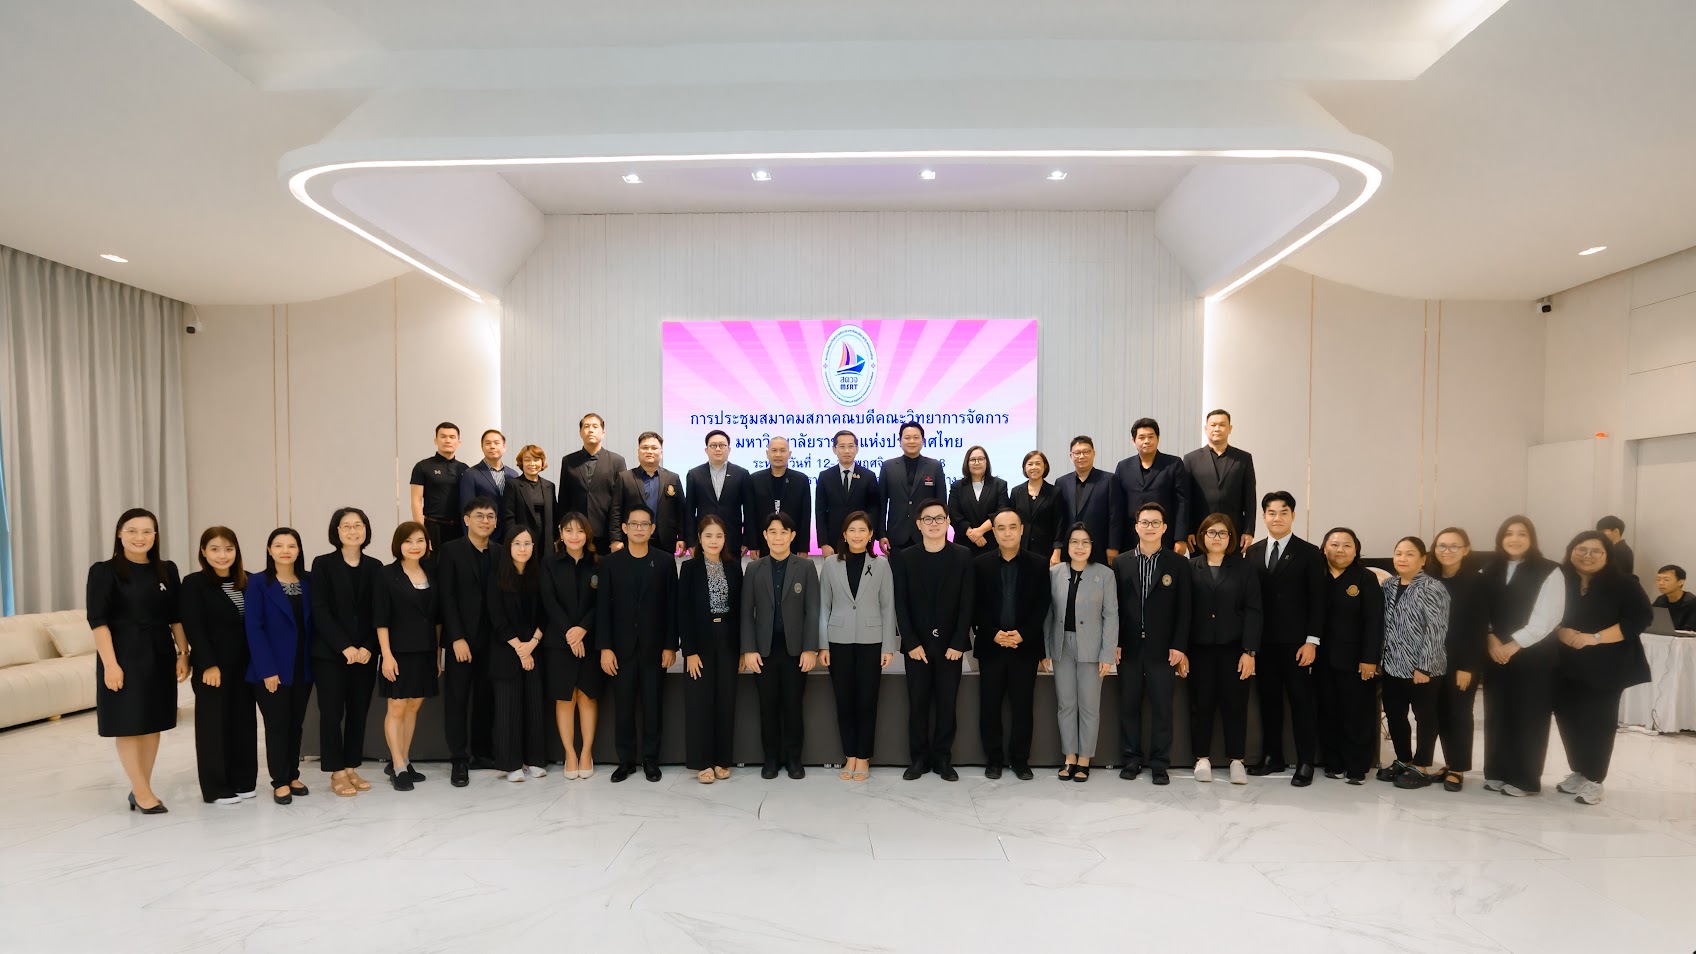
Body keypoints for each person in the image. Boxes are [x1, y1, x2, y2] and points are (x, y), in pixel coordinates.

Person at [89, 509, 188, 815]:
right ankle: (143, 792)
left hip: (159, 653)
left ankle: (140, 787)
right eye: (132, 531)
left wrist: (183, 653)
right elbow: (98, 622)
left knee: (152, 722)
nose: (139, 537)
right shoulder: (104, 571)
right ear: (120, 533)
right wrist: (110, 665)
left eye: (147, 531)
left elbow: (176, 617)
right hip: (124, 654)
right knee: (129, 723)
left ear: (155, 536)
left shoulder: (166, 570)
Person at [1551, 531, 1653, 805]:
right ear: (1571, 551)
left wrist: (1594, 638)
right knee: (1568, 719)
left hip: (1607, 666)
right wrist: (1559, 631)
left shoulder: (1625, 583)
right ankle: (1579, 770)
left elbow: (1640, 618)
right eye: (1581, 549)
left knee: (1599, 723)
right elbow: (1543, 612)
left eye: (1596, 551)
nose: (1587, 555)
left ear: (1608, 555)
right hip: (1564, 664)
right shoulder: (1559, 579)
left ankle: (1595, 779)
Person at [1244, 491, 1325, 785]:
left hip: (1297, 644)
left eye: (1283, 512)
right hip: (1264, 643)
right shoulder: (1253, 552)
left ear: (1293, 516)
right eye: (1271, 512)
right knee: (1269, 702)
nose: (1277, 518)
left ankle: (1305, 762)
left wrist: (1312, 641)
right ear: (1263, 516)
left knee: (1301, 703)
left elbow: (1318, 600)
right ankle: (1273, 757)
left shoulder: (1310, 552)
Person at [891, 499, 975, 780]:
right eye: (928, 519)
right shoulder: (905, 557)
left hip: (950, 647)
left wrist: (958, 642)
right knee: (917, 705)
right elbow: (900, 604)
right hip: (918, 647)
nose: (934, 523)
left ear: (948, 522)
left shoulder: (963, 555)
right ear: (919, 524)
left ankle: (942, 759)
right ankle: (918, 759)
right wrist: (910, 642)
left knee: (947, 705)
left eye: (940, 518)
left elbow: (967, 603)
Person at [1481, 515, 1564, 797]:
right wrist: (1490, 637)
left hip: (1534, 656)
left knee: (1529, 717)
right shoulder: (1489, 569)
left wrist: (1514, 644)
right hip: (1495, 653)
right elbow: (1480, 609)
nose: (1514, 539)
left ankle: (1525, 779)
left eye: (1521, 534)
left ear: (1532, 539)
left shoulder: (1549, 570)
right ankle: (1496, 771)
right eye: (1508, 533)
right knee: (1497, 714)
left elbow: (1548, 615)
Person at [597, 504, 679, 783]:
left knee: (653, 706)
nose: (640, 529)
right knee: (623, 707)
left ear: (653, 529)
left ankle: (651, 760)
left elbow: (671, 607)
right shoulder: (610, 563)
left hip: (655, 649)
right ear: (625, 528)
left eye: (645, 524)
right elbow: (603, 609)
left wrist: (670, 645)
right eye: (635, 524)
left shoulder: (665, 562)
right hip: (621, 649)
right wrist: (605, 647)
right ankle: (626, 761)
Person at [1113, 502, 1191, 785]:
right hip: (1129, 647)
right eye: (1144, 522)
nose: (1149, 527)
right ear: (1136, 527)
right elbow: (1114, 608)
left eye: (1155, 522)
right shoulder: (1120, 562)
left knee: (1162, 709)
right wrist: (1115, 642)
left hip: (1163, 649)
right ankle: (1131, 759)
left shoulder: (1178, 563)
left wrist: (1179, 645)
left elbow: (1185, 609)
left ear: (1164, 527)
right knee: (1129, 706)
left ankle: (1159, 763)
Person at [308, 507, 382, 798]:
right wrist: (344, 646)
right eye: (346, 526)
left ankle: (351, 766)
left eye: (358, 525)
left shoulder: (375, 567)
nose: (353, 530)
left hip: (365, 655)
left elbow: (379, 612)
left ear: (366, 530)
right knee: (331, 712)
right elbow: (320, 610)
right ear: (336, 531)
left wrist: (367, 647)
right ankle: (336, 771)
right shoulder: (323, 564)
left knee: (358, 712)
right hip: (330, 654)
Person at [972, 509, 1051, 781]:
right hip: (990, 646)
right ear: (993, 532)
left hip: (1024, 647)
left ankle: (1020, 760)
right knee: (990, 706)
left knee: (1023, 707)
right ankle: (993, 760)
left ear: (1021, 530)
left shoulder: (1039, 564)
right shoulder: (979, 564)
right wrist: (993, 633)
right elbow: (975, 605)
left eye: (1012, 527)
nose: (1007, 533)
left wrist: (1023, 634)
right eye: (1001, 528)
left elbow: (1042, 605)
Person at [820, 511, 899, 781]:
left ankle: (863, 757)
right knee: (844, 702)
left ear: (870, 535)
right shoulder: (830, 564)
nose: (857, 535)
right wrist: (823, 645)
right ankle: (850, 755)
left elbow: (888, 606)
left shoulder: (881, 565)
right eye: (852, 530)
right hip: (838, 641)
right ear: (844, 534)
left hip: (871, 641)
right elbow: (824, 606)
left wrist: (888, 646)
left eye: (862, 530)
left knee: (867, 701)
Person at [741, 512, 821, 778]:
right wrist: (749, 649)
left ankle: (794, 759)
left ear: (792, 536)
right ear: (765, 536)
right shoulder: (754, 568)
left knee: (793, 706)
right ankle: (771, 759)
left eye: (783, 532)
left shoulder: (806, 567)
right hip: (764, 650)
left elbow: (813, 610)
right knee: (768, 707)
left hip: (795, 650)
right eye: (773, 532)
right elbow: (746, 612)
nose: (778, 537)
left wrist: (810, 648)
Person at [182, 526, 254, 806]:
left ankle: (243, 780)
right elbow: (194, 626)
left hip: (245, 665)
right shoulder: (194, 583)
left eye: (228, 549)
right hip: (213, 667)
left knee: (243, 722)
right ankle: (215, 787)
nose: (222, 555)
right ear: (203, 552)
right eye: (214, 549)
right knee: (213, 726)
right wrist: (208, 664)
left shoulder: (248, 581)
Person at [1187, 512, 1261, 784]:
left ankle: (1237, 760)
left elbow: (1254, 611)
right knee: (1201, 704)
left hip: (1234, 649)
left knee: (1235, 705)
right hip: (1199, 649)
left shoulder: (1244, 568)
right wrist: (1181, 650)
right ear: (1202, 536)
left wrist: (1249, 651)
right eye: (1211, 532)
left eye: (1222, 533)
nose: (1216, 538)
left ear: (1231, 538)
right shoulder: (1190, 567)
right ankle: (1201, 758)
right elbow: (1183, 611)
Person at [1044, 524, 1119, 782]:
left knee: (1089, 706)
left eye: (1085, 542)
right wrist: (1046, 649)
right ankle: (1069, 757)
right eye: (1074, 541)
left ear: (1092, 546)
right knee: (1066, 704)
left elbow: (1111, 615)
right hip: (1061, 645)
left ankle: (1085, 758)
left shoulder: (1105, 574)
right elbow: (1048, 613)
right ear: (1067, 545)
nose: (1079, 547)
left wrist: (1107, 654)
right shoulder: (1054, 572)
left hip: (1092, 647)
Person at [246, 527, 313, 805]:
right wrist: (267, 670)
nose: (286, 550)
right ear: (269, 550)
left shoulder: (309, 581)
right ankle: (280, 780)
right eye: (279, 545)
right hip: (272, 669)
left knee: (296, 724)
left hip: (303, 666)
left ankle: (293, 774)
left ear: (299, 550)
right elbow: (254, 628)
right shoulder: (257, 582)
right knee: (277, 725)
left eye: (291, 546)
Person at [1377, 537, 1450, 789]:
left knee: (1425, 717)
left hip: (1422, 668)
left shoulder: (1432, 587)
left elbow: (1436, 629)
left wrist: (1424, 666)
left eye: (1409, 554)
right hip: (1392, 665)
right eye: (1398, 553)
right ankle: (1403, 760)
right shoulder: (1388, 585)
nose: (1402, 558)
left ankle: (1421, 766)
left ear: (1423, 559)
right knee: (1395, 715)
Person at [437, 496, 500, 786]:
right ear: (466, 520)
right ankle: (459, 759)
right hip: (461, 640)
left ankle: (482, 753)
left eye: (490, 516)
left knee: (486, 698)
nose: (485, 521)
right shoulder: (451, 551)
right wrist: (457, 638)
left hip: (493, 640)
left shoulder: (500, 552)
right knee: (457, 700)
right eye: (479, 516)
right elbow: (446, 597)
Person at [677, 515, 744, 783]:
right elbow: (683, 611)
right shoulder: (689, 568)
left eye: (718, 536)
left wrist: (741, 650)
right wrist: (690, 651)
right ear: (700, 539)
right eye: (708, 536)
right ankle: (702, 762)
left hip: (727, 638)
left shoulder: (734, 567)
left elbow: (740, 611)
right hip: (700, 641)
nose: (713, 541)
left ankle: (721, 760)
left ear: (725, 538)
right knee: (699, 702)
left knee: (726, 700)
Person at [373, 522, 439, 791]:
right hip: (398, 652)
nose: (415, 546)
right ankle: (397, 766)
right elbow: (381, 619)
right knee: (397, 707)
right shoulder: (386, 574)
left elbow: (437, 618)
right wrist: (386, 656)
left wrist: (437, 654)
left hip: (425, 651)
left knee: (413, 706)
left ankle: (404, 758)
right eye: (408, 541)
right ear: (398, 544)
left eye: (420, 540)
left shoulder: (432, 572)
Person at [1316, 527, 1383, 785]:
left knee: (1356, 713)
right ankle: (1333, 762)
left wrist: (1370, 659)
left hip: (1356, 660)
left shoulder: (1365, 578)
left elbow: (1374, 621)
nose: (1340, 550)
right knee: (1328, 710)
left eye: (1347, 545)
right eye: (1334, 544)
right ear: (1324, 548)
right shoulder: (1317, 575)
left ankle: (1357, 766)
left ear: (1356, 550)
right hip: (1321, 658)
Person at [540, 512, 602, 780]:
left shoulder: (598, 564)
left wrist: (582, 629)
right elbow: (548, 601)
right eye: (568, 531)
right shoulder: (549, 563)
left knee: (587, 696)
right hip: (558, 642)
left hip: (590, 640)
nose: (574, 536)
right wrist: (569, 633)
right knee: (565, 698)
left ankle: (586, 752)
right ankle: (570, 754)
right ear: (561, 534)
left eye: (579, 531)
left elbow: (602, 602)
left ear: (587, 534)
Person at [1428, 527, 1488, 792]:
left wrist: (1468, 666)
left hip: (1462, 660)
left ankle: (1458, 768)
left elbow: (1478, 627)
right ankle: (1450, 762)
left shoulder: (1477, 582)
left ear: (1466, 550)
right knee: (1440, 712)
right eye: (1442, 546)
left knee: (1460, 712)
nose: (1447, 551)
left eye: (1454, 546)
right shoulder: (1429, 577)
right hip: (1433, 659)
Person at [488, 527, 548, 782]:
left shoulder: (540, 576)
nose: (523, 548)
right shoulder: (496, 576)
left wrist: (531, 645)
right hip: (506, 650)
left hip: (534, 648)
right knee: (507, 708)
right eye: (517, 543)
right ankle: (510, 764)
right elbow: (497, 618)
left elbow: (546, 614)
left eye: (527, 543)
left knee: (534, 706)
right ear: (508, 547)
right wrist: (520, 649)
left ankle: (534, 760)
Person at [1111, 418, 1192, 555]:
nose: (1146, 441)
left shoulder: (1173, 464)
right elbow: (1116, 507)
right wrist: (1114, 544)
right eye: (1141, 437)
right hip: (1130, 538)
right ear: (1133, 441)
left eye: (1151, 436)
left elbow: (1183, 502)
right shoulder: (1123, 467)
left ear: (1158, 438)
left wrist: (1180, 538)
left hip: (1165, 537)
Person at [1182, 410, 1256, 552]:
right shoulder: (1191, 459)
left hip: (1233, 531)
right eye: (1213, 425)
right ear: (1206, 429)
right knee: (1200, 566)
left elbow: (1250, 498)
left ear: (1230, 428)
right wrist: (1188, 530)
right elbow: (1186, 499)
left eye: (1222, 425)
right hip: (1200, 531)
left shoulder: (1243, 459)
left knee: (1233, 566)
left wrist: (1248, 531)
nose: (1217, 428)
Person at [557, 412, 628, 554]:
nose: (590, 430)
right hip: (576, 533)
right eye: (586, 426)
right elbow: (564, 499)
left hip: (606, 533)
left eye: (595, 426)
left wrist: (617, 538)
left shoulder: (617, 461)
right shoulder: (569, 461)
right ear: (580, 433)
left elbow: (621, 502)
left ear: (603, 432)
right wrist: (562, 533)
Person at [880, 421, 947, 552]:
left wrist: (941, 532)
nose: (912, 441)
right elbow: (882, 504)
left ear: (923, 441)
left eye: (916, 437)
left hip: (927, 534)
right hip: (896, 535)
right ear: (900, 441)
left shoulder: (934, 466)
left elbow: (941, 502)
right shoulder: (888, 467)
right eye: (907, 437)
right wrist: (881, 534)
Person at [684, 429, 751, 557]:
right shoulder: (694, 475)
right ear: (706, 450)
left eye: (722, 445)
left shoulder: (742, 474)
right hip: (704, 539)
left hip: (733, 540)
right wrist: (691, 541)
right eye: (713, 445)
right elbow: (689, 511)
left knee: (732, 570)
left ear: (729, 449)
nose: (718, 449)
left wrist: (747, 539)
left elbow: (749, 510)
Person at [1051, 436, 1116, 566]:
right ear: (1071, 456)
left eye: (1086, 452)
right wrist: (1057, 548)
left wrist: (1113, 546)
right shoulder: (1061, 482)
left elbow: (1115, 516)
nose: (1081, 456)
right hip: (1070, 548)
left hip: (1099, 547)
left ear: (1093, 453)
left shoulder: (1109, 480)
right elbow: (1059, 518)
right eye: (1077, 453)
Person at [620, 431, 688, 557]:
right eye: (645, 447)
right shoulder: (625, 478)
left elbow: (681, 511)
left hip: (665, 541)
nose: (649, 451)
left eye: (654, 448)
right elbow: (616, 510)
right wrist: (616, 539)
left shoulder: (672, 478)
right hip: (633, 539)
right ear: (638, 452)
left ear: (661, 452)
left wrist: (682, 537)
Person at [816, 430, 882, 557]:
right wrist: (824, 543)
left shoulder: (868, 476)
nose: (846, 451)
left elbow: (874, 510)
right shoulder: (825, 476)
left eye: (851, 446)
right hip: (833, 540)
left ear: (857, 449)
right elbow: (820, 512)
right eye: (842, 446)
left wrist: (869, 538)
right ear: (834, 450)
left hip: (861, 539)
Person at [746, 436, 813, 556]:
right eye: (774, 450)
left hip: (792, 542)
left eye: (782, 450)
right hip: (763, 542)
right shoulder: (755, 479)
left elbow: (805, 516)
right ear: (767, 453)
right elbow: (750, 515)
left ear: (789, 454)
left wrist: (803, 547)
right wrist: (753, 544)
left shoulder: (800, 480)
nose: (778, 454)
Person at [410, 422, 468, 552]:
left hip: (459, 528)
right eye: (443, 436)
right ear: (435, 440)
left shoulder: (465, 469)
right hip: (433, 527)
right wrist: (421, 533)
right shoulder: (422, 466)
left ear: (459, 443)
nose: (447, 440)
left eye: (452, 437)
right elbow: (416, 501)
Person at [948, 445, 1008, 557]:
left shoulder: (999, 485)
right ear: (967, 463)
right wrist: (972, 534)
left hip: (991, 542)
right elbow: (954, 514)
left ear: (986, 462)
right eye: (973, 460)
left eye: (981, 459)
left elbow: (1001, 512)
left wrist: (980, 531)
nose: (977, 463)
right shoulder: (957, 486)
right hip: (964, 543)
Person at [461, 428, 520, 541]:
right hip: (483, 533)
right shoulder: (471, 474)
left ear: (504, 447)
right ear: (482, 447)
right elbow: (466, 509)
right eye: (488, 443)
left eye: (496, 443)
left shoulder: (513, 474)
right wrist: (469, 539)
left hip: (509, 534)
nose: (492, 446)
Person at [502, 444, 556, 546]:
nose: (532, 463)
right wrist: (514, 540)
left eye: (536, 459)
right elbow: (509, 517)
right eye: (527, 460)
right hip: (522, 541)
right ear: (521, 463)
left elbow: (554, 516)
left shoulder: (549, 486)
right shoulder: (513, 485)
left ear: (542, 462)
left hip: (546, 543)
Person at [1010, 450, 1059, 557]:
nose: (1034, 467)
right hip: (1019, 548)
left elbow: (1059, 524)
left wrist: (1057, 550)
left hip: (1045, 550)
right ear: (1024, 467)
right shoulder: (1016, 492)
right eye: (1030, 464)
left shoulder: (1054, 492)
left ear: (1045, 466)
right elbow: (1011, 521)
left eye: (1038, 463)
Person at [1653, 565, 1696, 629]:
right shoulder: (1660, 600)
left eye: (1666, 580)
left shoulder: (1692, 602)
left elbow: (1691, 629)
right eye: (1658, 579)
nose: (1661, 583)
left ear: (1680, 582)